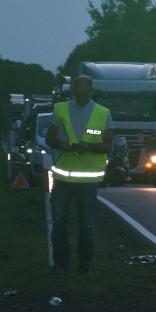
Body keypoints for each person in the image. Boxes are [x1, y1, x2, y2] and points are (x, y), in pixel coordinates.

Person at [46, 75, 113, 273]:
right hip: (62, 178)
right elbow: (50, 138)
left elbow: (108, 145)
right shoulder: (60, 109)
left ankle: (84, 265)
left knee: (86, 226)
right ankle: (61, 264)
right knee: (59, 222)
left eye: (86, 91)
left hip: (88, 180)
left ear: (91, 91)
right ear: (73, 90)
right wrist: (63, 145)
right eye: (79, 90)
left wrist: (89, 146)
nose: (82, 94)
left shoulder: (103, 113)